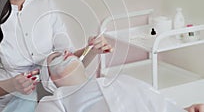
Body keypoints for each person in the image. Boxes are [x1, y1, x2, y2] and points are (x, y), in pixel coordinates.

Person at [36, 51, 204, 112]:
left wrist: (184, 109)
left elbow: (155, 102)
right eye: (56, 57)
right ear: (50, 79)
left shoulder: (120, 80)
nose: (66, 52)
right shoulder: (55, 99)